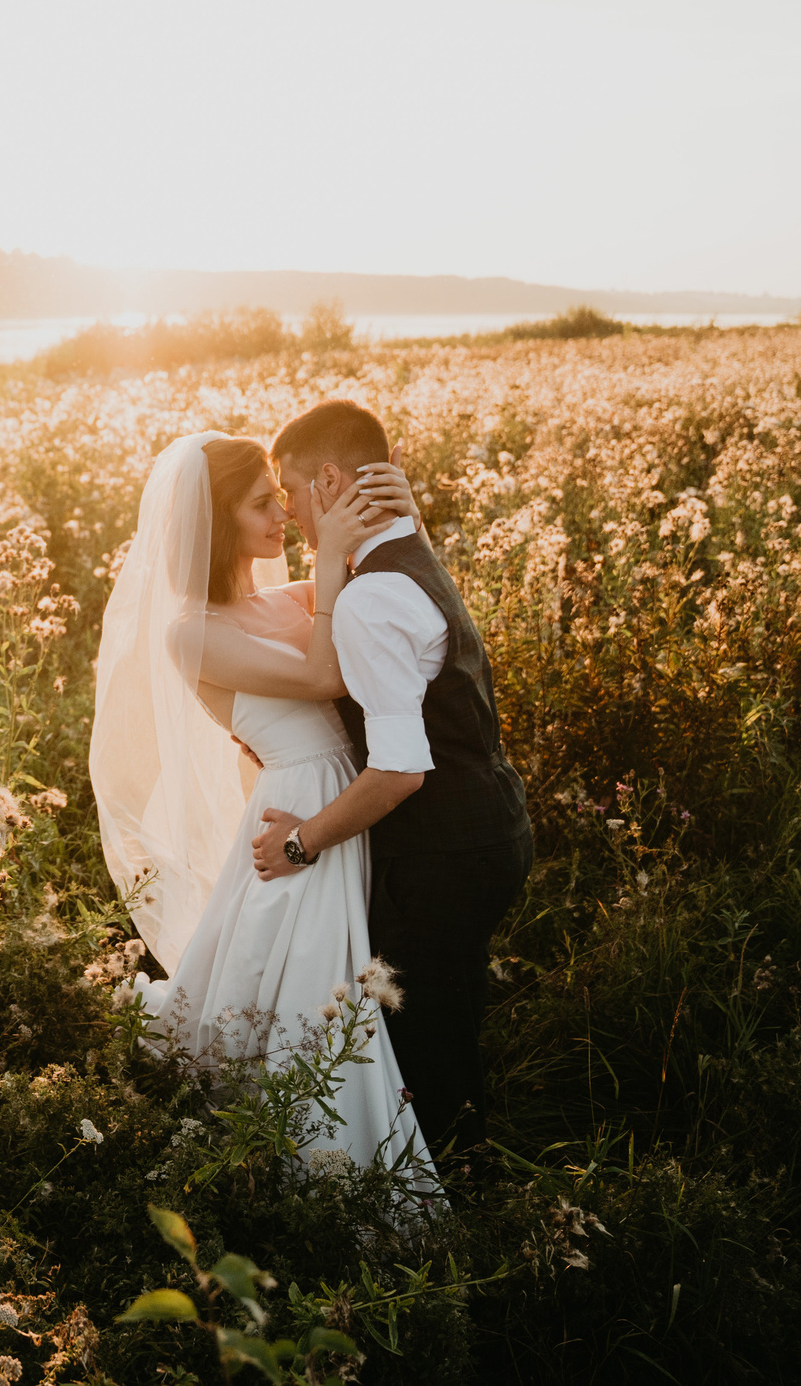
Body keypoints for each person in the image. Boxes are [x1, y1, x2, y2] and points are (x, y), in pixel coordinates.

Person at [89, 430, 430, 1175]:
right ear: (216, 522)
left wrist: (402, 520)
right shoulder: (190, 632)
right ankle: (309, 1159)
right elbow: (322, 674)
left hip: (337, 799)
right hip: (300, 805)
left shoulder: (276, 600)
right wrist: (328, 554)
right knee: (309, 980)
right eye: (260, 505)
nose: (282, 515)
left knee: (309, 978)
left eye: (282, 499)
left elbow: (371, 589)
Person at [252, 400, 533, 1162]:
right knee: (451, 1008)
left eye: (294, 490)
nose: (291, 510)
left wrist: (300, 844)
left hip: (444, 851)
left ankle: (441, 1207)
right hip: (493, 826)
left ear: (334, 479)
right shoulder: (408, 551)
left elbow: (401, 771)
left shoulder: (371, 599)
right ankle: (467, 1157)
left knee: (414, 1037)